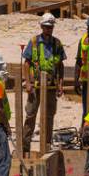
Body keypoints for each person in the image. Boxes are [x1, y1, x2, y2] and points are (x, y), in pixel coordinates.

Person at [21, 13, 65, 150]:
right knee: (31, 115)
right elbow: (26, 64)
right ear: (41, 26)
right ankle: (25, 145)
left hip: (51, 86)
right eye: (46, 27)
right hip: (35, 86)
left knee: (49, 116)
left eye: (50, 27)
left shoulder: (57, 44)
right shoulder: (34, 42)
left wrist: (60, 85)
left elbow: (60, 66)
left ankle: (46, 144)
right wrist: (27, 83)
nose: (48, 29)